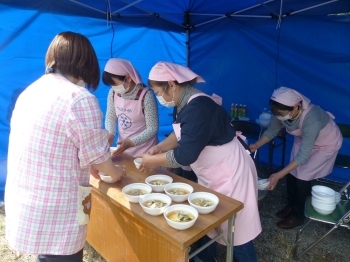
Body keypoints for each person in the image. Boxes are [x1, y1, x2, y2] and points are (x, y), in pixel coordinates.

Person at [5, 32, 126, 262]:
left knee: (47, 255)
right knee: (61, 256)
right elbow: (101, 159)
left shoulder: (31, 91)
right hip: (58, 210)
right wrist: (116, 173)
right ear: (84, 64)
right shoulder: (79, 98)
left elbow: (58, 143)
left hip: (29, 201)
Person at [139, 61, 261, 262]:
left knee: (236, 229)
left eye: (159, 92)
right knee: (207, 218)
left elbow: (185, 155)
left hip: (231, 172)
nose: (160, 97)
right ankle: (204, 258)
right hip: (212, 171)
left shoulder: (198, 106)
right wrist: (161, 147)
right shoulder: (183, 101)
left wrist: (153, 161)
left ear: (171, 84)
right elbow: (182, 133)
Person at [250, 86, 343, 229]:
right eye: (277, 114)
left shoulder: (312, 118)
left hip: (326, 143)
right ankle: (292, 205)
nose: (279, 117)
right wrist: (256, 145)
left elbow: (302, 157)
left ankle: (298, 215)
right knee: (292, 172)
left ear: (295, 107)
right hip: (304, 139)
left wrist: (277, 175)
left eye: (282, 114)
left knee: (303, 176)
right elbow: (271, 131)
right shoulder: (279, 110)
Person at [103, 58, 158, 157]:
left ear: (128, 78)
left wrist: (131, 142)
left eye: (115, 84)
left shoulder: (146, 95)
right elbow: (111, 116)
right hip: (122, 148)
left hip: (145, 151)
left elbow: (152, 128)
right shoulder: (113, 93)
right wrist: (110, 134)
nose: (113, 88)